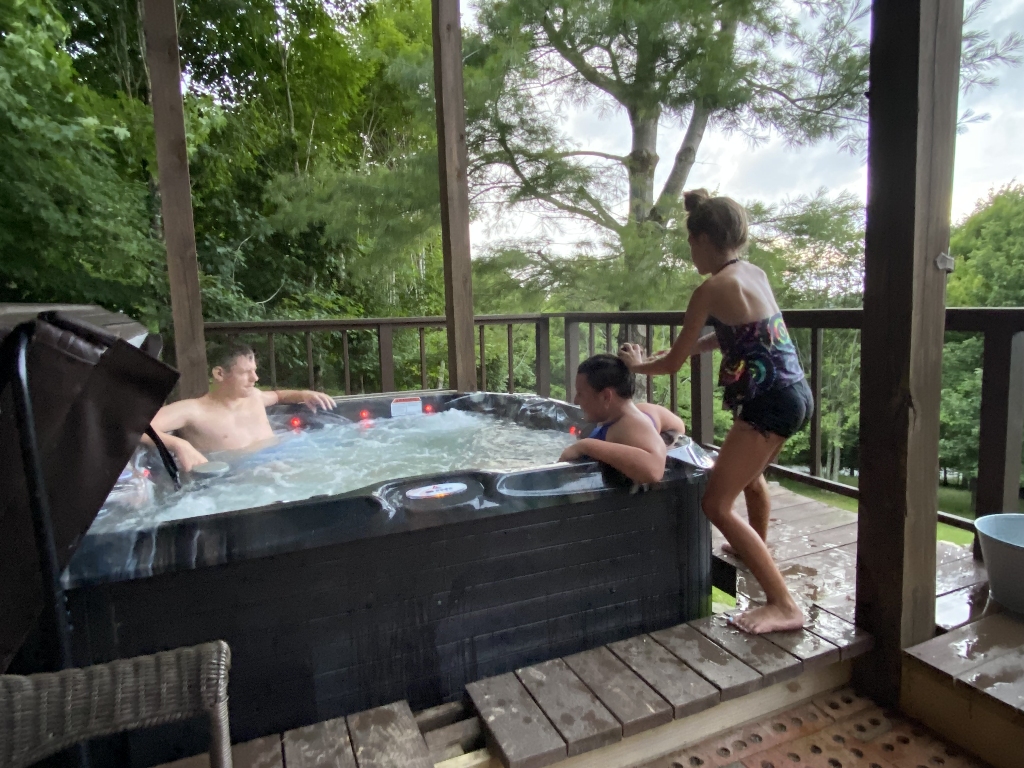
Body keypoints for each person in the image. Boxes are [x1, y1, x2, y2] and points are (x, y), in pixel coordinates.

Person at [618, 189, 812, 634]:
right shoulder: (752, 273)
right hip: (795, 394)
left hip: (767, 403)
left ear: (704, 239)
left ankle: (784, 605)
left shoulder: (709, 288)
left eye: (690, 243)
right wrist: (680, 351)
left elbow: (670, 366)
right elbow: (737, 335)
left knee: (716, 504)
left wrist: (637, 365)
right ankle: (753, 547)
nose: (691, 253)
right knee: (751, 480)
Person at [148, 342, 335, 472]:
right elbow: (138, 425)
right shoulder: (194, 411)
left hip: (281, 465)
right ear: (220, 374)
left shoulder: (255, 397)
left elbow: (278, 396)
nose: (255, 378)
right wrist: (179, 444)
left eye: (254, 371)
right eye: (246, 372)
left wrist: (303, 394)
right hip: (236, 480)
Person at [558, 354, 667, 485]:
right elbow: (678, 426)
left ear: (605, 396)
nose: (576, 401)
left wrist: (585, 446)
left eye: (581, 394)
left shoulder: (626, 427)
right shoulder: (645, 411)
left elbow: (654, 470)